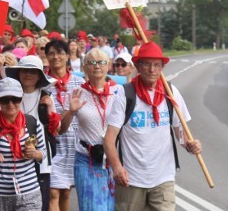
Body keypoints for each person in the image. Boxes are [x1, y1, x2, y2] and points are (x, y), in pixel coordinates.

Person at [103, 42, 202, 211]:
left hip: (163, 179)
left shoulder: (170, 93)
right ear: (138, 66)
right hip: (131, 180)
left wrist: (190, 145)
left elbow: (181, 133)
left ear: (162, 67)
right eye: (147, 64)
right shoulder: (125, 94)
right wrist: (117, 168)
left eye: (157, 65)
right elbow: (108, 140)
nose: (152, 69)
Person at [61, 48, 122, 210]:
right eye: (92, 62)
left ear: (108, 65)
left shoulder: (118, 92)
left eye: (101, 62)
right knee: (92, 207)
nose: (97, 66)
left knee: (113, 207)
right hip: (87, 160)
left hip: (113, 160)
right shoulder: (77, 92)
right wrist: (71, 111)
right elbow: (62, 129)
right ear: (84, 67)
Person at [0, 78, 47, 210]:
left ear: (22, 98)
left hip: (29, 193)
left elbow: (44, 153)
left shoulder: (32, 123)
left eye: (15, 99)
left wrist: (36, 154)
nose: (11, 103)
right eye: (5, 99)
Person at [2, 56, 59, 211]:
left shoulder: (46, 96)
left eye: (33, 72)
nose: (28, 74)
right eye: (24, 70)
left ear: (39, 76)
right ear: (18, 73)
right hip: (12, 157)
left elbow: (56, 128)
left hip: (40, 157)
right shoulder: (10, 95)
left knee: (40, 204)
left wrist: (49, 111)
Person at [44, 39, 85, 210]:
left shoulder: (79, 83)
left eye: (60, 53)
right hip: (52, 143)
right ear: (46, 56)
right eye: (51, 53)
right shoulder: (43, 83)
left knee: (66, 191)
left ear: (68, 56)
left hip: (73, 142)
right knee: (53, 191)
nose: (56, 57)